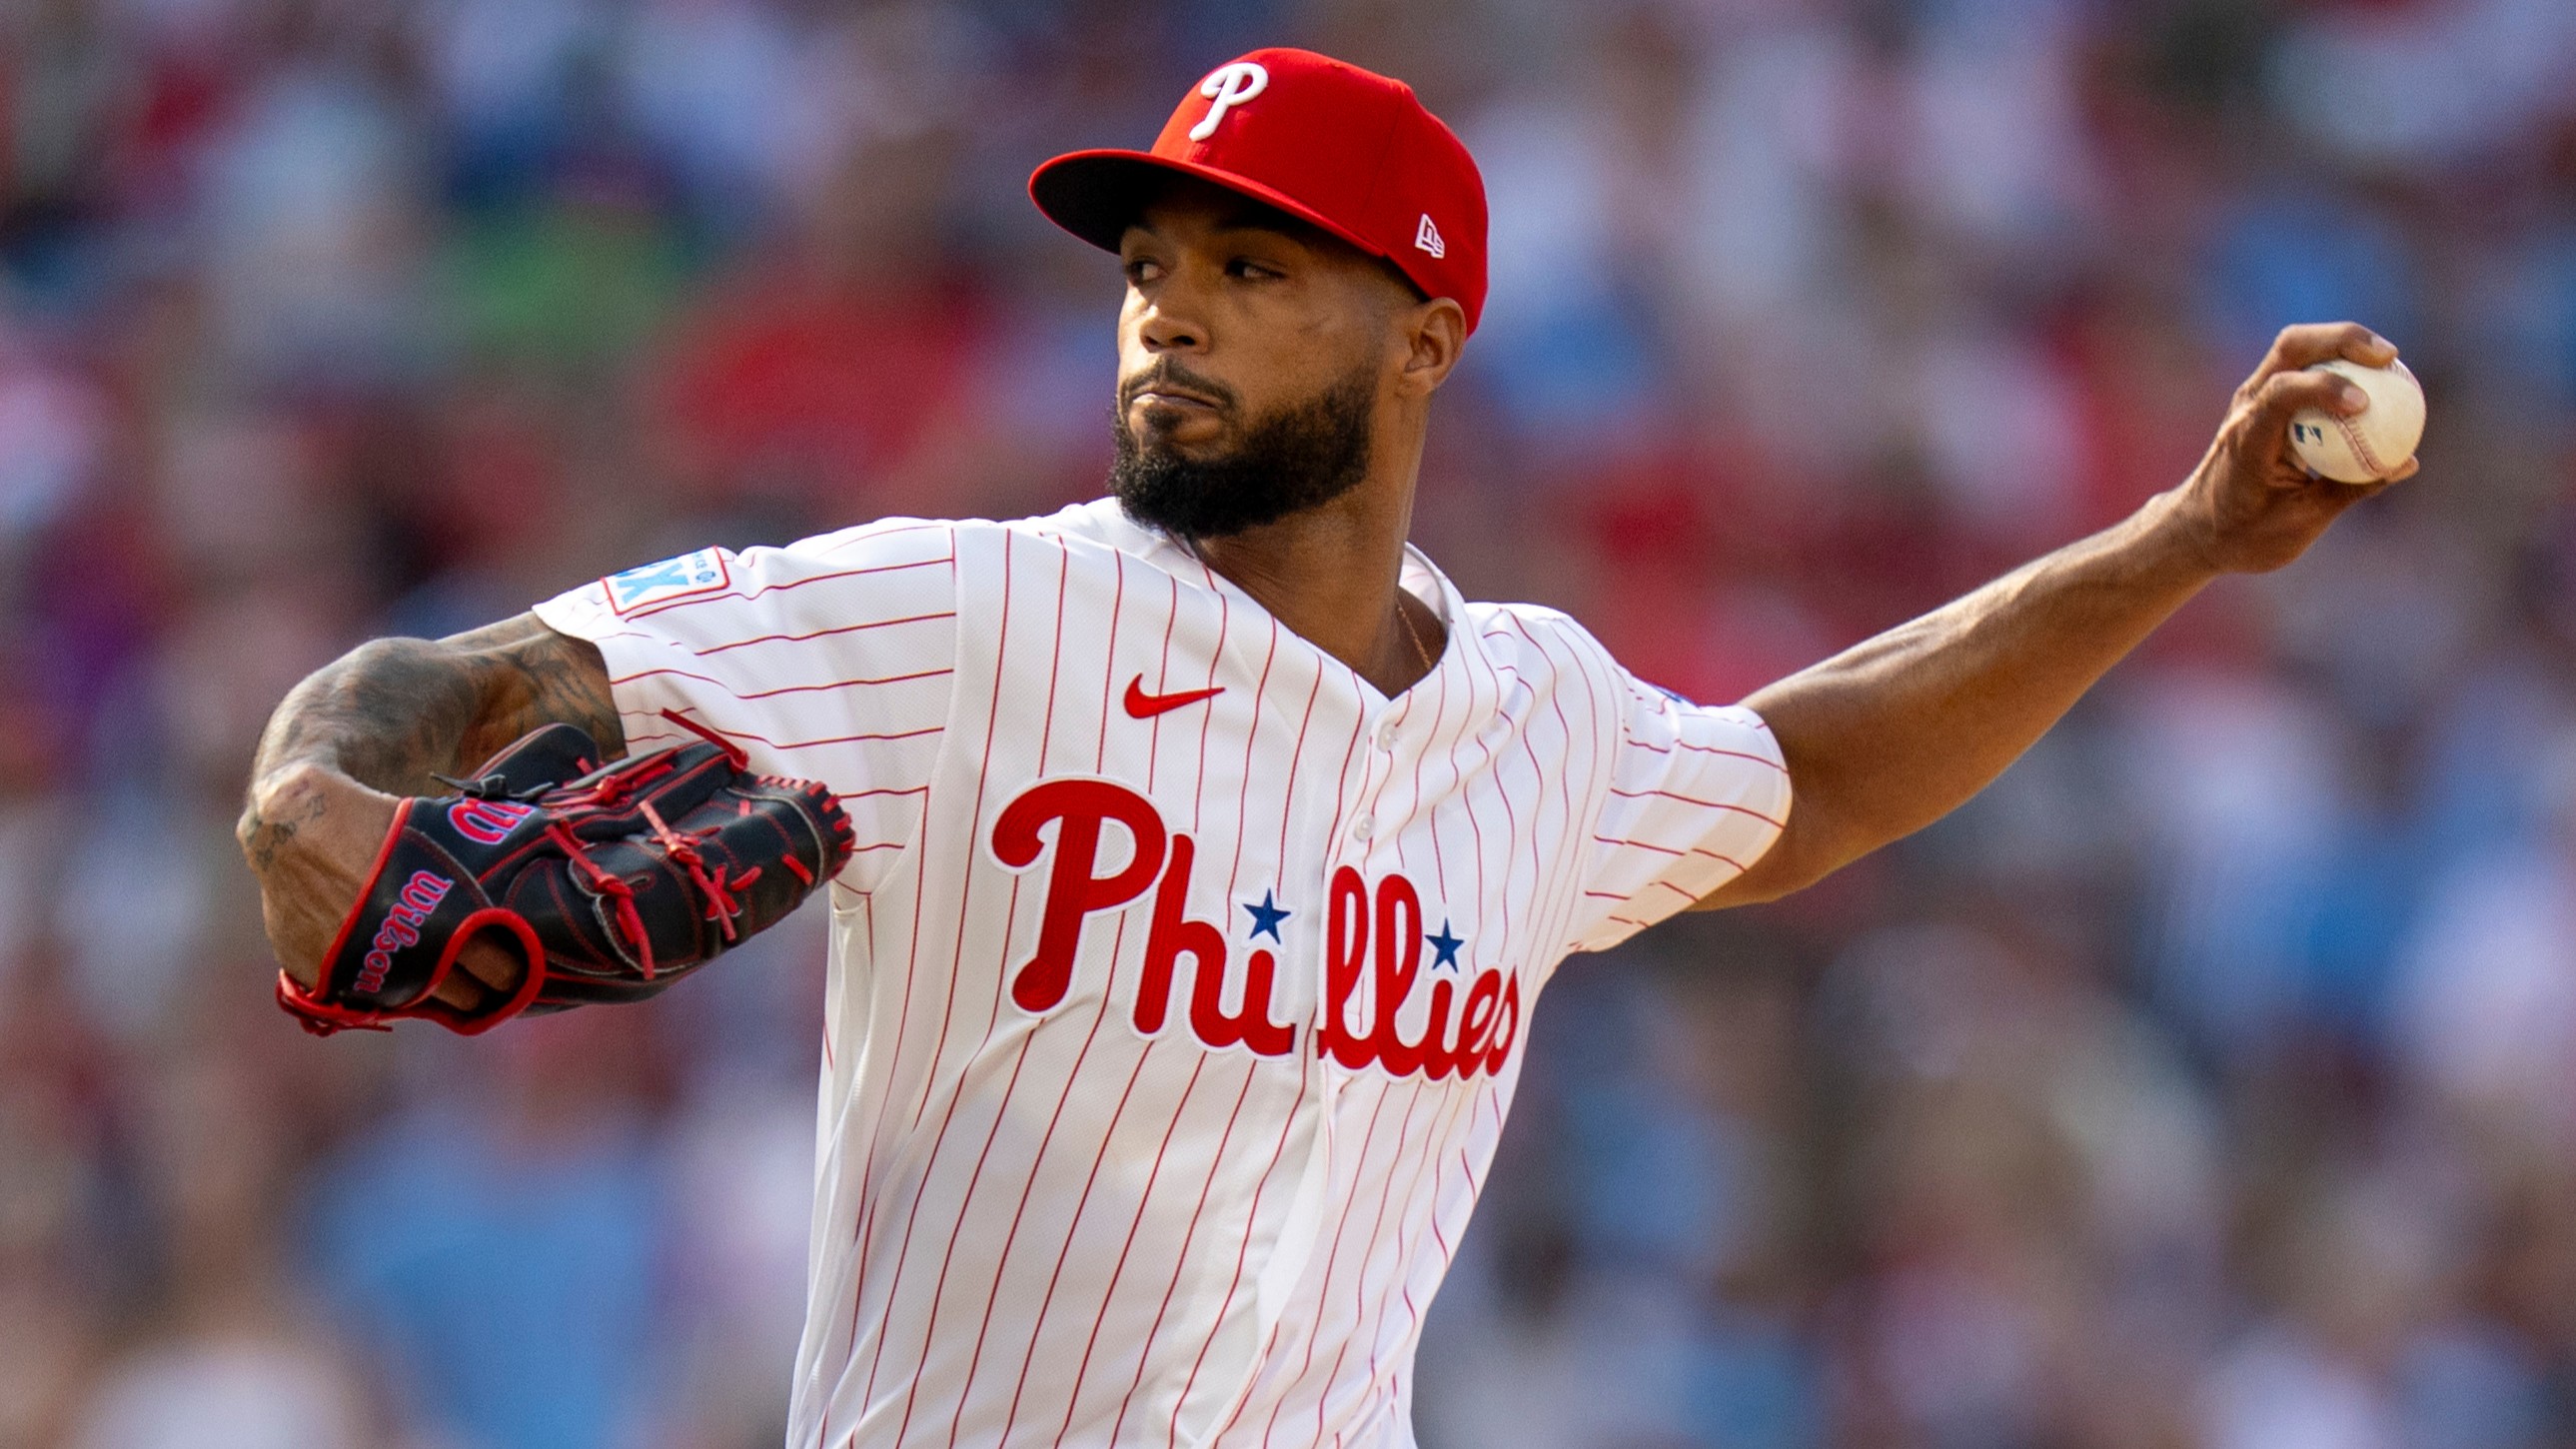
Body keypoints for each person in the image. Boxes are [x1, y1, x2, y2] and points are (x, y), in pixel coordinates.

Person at [236, 47, 2411, 1449]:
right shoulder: (977, 609)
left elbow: (1813, 772)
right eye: (1150, 261)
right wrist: (318, 787)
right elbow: (476, 677)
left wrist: (2182, 538)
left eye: (1253, 266)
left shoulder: (1537, 717)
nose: (1166, 306)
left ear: (1426, 333)